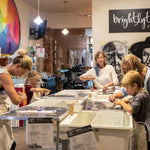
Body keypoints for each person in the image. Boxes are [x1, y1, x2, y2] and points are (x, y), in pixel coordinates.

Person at [0, 49, 33, 150]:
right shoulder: (5, 75)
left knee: (10, 143)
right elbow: (15, 100)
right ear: (18, 65)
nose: (20, 75)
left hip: (3, 113)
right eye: (22, 72)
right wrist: (23, 96)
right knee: (7, 145)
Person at [114, 71, 149, 150]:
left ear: (134, 86)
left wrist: (121, 102)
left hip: (138, 129)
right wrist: (128, 101)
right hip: (141, 127)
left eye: (127, 88)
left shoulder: (139, 97)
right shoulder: (143, 93)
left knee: (137, 147)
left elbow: (130, 109)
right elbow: (136, 102)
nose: (126, 90)